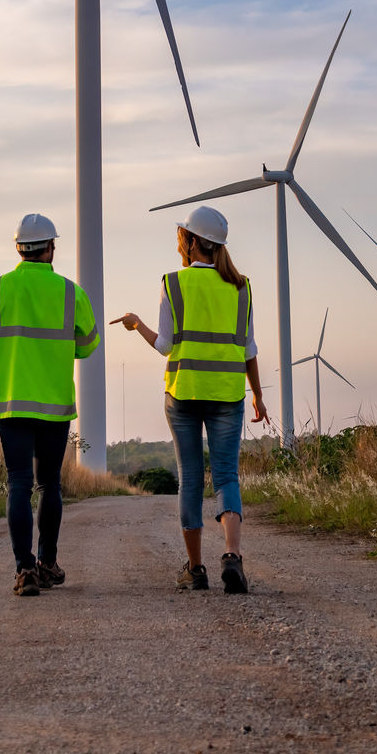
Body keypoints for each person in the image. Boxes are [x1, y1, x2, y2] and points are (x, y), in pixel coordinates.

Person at [115, 204, 269, 593]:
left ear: (193, 242)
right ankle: (232, 556)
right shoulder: (241, 286)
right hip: (228, 394)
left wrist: (137, 326)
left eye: (182, 236)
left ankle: (196, 569)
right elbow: (249, 348)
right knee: (226, 476)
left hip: (183, 393)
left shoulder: (173, 283)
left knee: (189, 480)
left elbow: (165, 345)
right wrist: (258, 397)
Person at [0, 212, 100, 597]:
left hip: (9, 404)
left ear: (19, 248)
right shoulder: (72, 293)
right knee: (49, 483)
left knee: (18, 483)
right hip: (53, 404)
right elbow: (88, 346)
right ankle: (47, 562)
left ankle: (24, 570)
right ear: (51, 248)